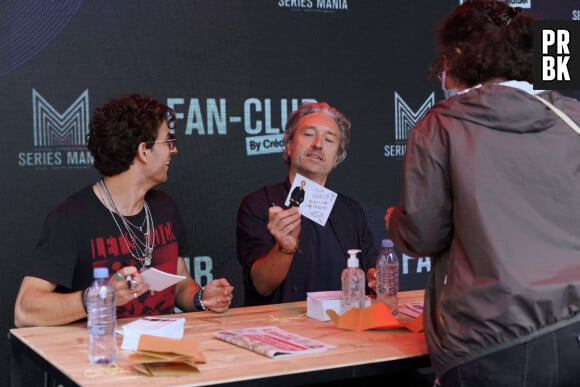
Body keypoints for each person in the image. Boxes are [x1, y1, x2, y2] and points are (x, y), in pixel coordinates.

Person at [385, 1, 580, 386]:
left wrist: (395, 220)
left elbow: (422, 234)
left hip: (488, 340)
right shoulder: (570, 116)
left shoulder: (439, 126)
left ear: (456, 54)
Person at [14, 94, 233, 327]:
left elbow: (180, 286)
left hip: (162, 351)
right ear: (144, 151)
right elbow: (25, 311)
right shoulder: (71, 219)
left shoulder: (165, 208)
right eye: (167, 141)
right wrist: (100, 297)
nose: (174, 150)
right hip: (100, 355)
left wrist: (202, 298)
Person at [237, 102, 377, 305]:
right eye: (309, 134)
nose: (318, 144)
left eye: (329, 139)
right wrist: (284, 246)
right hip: (283, 328)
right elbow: (262, 285)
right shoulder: (259, 204)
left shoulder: (351, 211)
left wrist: (376, 276)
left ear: (337, 157)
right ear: (289, 145)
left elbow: (371, 268)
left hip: (342, 327)